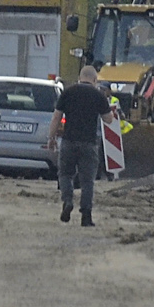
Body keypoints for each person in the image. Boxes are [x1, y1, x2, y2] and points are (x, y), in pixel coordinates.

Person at [46, 65, 115, 226]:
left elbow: (56, 118)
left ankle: (68, 201)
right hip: (89, 144)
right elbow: (108, 119)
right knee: (87, 181)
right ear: (94, 79)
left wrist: (51, 138)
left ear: (80, 77)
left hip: (69, 141)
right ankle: (86, 216)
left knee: (65, 174)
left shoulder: (68, 92)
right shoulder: (98, 95)